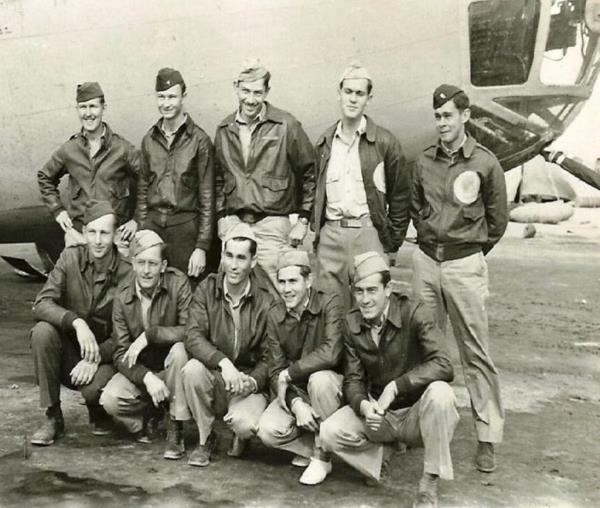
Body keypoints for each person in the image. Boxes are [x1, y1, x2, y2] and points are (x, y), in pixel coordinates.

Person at [410, 84, 508, 473]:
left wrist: (469, 252)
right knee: (423, 348)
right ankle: (420, 428)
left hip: (464, 264)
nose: (442, 123)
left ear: (465, 116)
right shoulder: (423, 161)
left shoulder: (485, 163)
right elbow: (416, 207)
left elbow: (497, 220)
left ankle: (487, 436)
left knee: (475, 353)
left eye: (448, 116)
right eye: (437, 116)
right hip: (425, 263)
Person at [319, 252, 458, 508]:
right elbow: (353, 379)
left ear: (388, 289)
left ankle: (429, 481)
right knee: (328, 433)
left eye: (372, 290)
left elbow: (444, 364)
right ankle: (378, 458)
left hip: (416, 413)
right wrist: (363, 405)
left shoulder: (415, 311)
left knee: (442, 394)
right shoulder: (351, 322)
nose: (365, 299)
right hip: (379, 414)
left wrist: (396, 387)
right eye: (359, 291)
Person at [29, 201, 131, 445]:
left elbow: (129, 332)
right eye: (92, 232)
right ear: (84, 232)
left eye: (104, 233)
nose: (98, 240)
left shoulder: (128, 272)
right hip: (71, 352)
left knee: (92, 390)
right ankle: (53, 415)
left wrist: (95, 357)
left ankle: (99, 410)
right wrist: (76, 322)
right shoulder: (70, 258)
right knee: (42, 332)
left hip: (106, 356)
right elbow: (41, 303)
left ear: (115, 235)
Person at [312, 61, 409, 310]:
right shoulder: (325, 142)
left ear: (369, 98)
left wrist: (392, 243)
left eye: (360, 93)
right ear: (339, 93)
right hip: (331, 234)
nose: (353, 99)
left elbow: (400, 197)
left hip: (367, 233)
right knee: (329, 311)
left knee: (370, 311)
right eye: (348, 92)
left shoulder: (385, 142)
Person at [214, 58, 315, 288]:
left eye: (257, 93)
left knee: (274, 291)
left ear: (267, 91)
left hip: (272, 226)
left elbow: (310, 172)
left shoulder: (286, 125)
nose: (251, 100)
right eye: (245, 91)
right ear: (236, 87)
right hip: (235, 224)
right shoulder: (224, 129)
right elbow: (218, 178)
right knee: (232, 289)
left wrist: (303, 220)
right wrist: (221, 218)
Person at [181, 223, 274, 467]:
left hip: (246, 380)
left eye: (241, 258)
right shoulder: (207, 288)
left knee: (245, 424)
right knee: (191, 370)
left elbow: (272, 354)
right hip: (218, 374)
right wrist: (222, 363)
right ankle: (205, 437)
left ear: (253, 261)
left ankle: (239, 434)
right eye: (229, 256)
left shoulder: (266, 299)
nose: (233, 265)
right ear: (222, 256)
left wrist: (254, 381)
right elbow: (193, 336)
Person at [100, 230, 192, 458]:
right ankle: (148, 416)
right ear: (132, 263)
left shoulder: (178, 283)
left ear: (163, 265)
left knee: (180, 350)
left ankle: (176, 424)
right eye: (140, 262)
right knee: (110, 399)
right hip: (143, 371)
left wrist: (151, 335)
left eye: (152, 263)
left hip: (173, 369)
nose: (146, 270)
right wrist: (146, 377)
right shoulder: (122, 295)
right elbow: (121, 352)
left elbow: (191, 331)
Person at [257, 249, 343, 485]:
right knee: (267, 430)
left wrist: (291, 373)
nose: (286, 289)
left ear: (309, 280)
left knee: (319, 380)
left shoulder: (329, 303)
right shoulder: (275, 314)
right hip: (298, 391)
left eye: (293, 281)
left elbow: (332, 352)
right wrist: (296, 404)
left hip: (330, 390)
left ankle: (322, 456)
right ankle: (315, 444)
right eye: (282, 282)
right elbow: (275, 370)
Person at [135, 67, 215, 282]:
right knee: (150, 287)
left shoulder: (199, 140)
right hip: (153, 226)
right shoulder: (149, 139)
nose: (166, 103)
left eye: (172, 97)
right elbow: (142, 191)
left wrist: (201, 247)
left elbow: (207, 197)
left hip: (185, 229)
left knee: (185, 289)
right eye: (161, 97)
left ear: (183, 97)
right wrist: (142, 231)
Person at [38, 82, 139, 247]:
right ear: (77, 109)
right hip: (80, 235)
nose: (88, 113)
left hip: (114, 236)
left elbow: (148, 180)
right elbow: (45, 177)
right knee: (74, 263)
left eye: (93, 106)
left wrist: (137, 220)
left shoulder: (122, 148)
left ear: (103, 108)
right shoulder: (70, 149)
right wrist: (57, 210)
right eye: (83, 107)